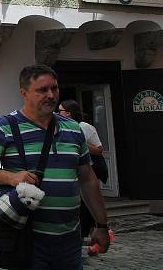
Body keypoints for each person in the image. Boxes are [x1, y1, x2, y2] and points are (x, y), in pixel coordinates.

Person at [0, 65, 110, 270]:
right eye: (42, 90)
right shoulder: (4, 127)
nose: (51, 95)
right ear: (23, 93)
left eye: (55, 88)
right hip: (27, 240)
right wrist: (12, 178)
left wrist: (102, 225)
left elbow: (87, 179)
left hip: (70, 240)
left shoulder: (73, 129)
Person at [58, 99, 108, 240]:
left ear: (68, 113)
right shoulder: (63, 126)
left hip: (89, 168)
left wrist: (79, 141)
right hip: (74, 170)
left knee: (87, 204)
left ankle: (91, 234)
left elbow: (99, 150)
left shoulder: (83, 126)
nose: (57, 113)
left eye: (60, 110)